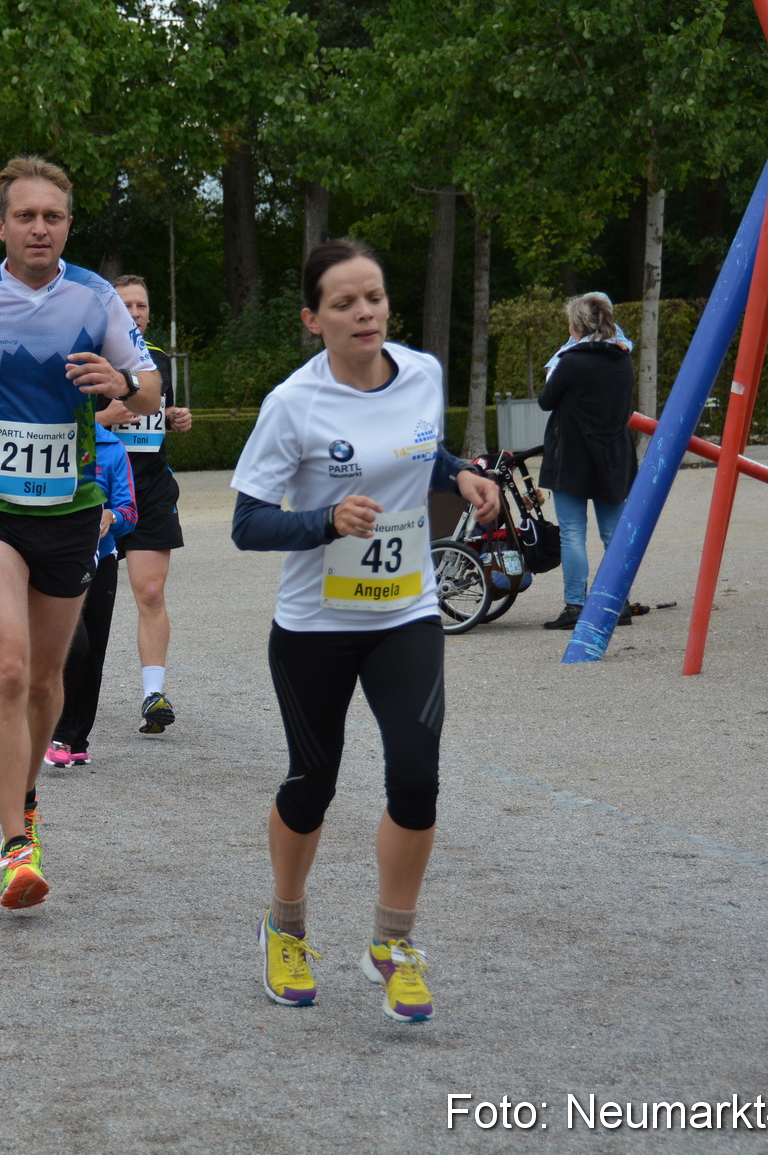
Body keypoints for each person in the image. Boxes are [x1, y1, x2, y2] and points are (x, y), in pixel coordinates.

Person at [230, 238, 499, 1020]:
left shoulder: (421, 373)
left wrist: (458, 473)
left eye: (374, 297)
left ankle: (394, 941)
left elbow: (416, 449)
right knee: (312, 783)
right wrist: (324, 520)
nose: (364, 312)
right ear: (313, 318)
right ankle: (284, 924)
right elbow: (247, 523)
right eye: (344, 303)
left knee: (416, 774)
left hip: (406, 611)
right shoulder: (293, 404)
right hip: (314, 624)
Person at [0, 155, 161, 909]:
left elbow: (149, 385)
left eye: (52, 216)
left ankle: (25, 801)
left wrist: (121, 384)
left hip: (71, 507)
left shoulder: (94, 299)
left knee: (49, 679)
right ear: (1, 225)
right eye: (25, 215)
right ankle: (14, 845)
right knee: (10, 668)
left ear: (68, 225)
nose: (39, 227)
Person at [98, 275, 194, 735]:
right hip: (96, 487)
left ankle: (153, 694)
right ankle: (59, 692)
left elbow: (157, 417)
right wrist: (102, 418)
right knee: (76, 598)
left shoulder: (156, 360)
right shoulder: (90, 356)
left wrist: (175, 418)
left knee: (151, 592)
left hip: (151, 487)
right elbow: (59, 425)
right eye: (125, 304)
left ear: (149, 313)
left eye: (141, 304)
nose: (134, 312)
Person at [537, 292, 639, 630]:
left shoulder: (571, 361)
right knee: (613, 533)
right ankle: (617, 602)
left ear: (577, 325)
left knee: (572, 533)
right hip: (613, 453)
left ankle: (575, 606)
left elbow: (546, 400)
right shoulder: (623, 359)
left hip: (572, 455)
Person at [45, 421, 137, 766]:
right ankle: (59, 733)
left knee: (94, 652)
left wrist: (111, 517)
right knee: (75, 645)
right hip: (53, 559)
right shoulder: (43, 433)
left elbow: (130, 511)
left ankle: (79, 737)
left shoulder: (111, 448)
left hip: (101, 560)